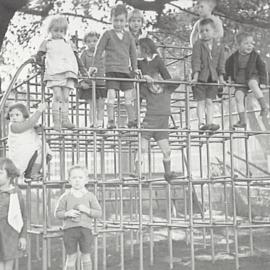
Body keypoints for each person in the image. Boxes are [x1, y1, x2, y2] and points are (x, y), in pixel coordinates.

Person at [134, 37, 178, 182]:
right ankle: (138, 172)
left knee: (167, 150)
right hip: (150, 122)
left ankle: (168, 173)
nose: (155, 86)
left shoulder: (166, 90)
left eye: (156, 82)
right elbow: (137, 83)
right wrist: (146, 78)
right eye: (152, 84)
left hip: (162, 124)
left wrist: (161, 81)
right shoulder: (147, 91)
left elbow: (175, 80)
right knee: (143, 149)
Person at [90, 3, 138, 129]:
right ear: (111, 19)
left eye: (121, 20)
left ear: (126, 21)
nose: (118, 23)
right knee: (111, 95)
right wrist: (94, 65)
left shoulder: (128, 36)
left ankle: (132, 120)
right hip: (111, 70)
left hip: (125, 71)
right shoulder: (107, 34)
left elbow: (133, 53)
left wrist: (135, 67)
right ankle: (111, 120)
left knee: (129, 96)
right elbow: (99, 50)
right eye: (115, 20)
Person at [36, 15, 87, 131]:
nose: (59, 33)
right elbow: (39, 55)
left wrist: (83, 70)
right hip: (55, 71)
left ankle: (65, 120)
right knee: (57, 96)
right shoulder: (47, 42)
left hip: (69, 71)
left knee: (65, 97)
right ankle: (56, 121)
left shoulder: (68, 43)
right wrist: (38, 61)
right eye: (56, 30)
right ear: (50, 30)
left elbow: (76, 57)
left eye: (61, 31)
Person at [55, 165, 102, 270]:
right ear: (69, 180)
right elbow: (57, 213)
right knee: (71, 256)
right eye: (74, 178)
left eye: (80, 178)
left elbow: (99, 213)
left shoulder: (90, 196)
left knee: (86, 256)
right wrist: (67, 213)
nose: (77, 180)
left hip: (85, 230)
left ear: (86, 180)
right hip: (69, 231)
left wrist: (87, 210)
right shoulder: (65, 196)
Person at [225, 32, 268, 128]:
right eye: (246, 43)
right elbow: (227, 68)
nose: (250, 46)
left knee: (252, 83)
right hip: (240, 81)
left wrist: (264, 82)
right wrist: (227, 79)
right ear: (239, 45)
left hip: (252, 76)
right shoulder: (233, 57)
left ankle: (264, 107)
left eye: (251, 43)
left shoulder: (255, 55)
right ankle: (242, 120)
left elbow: (262, 67)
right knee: (238, 97)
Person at [191, 18, 226, 132]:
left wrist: (221, 78)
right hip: (201, 77)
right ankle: (201, 123)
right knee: (201, 101)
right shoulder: (198, 45)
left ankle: (210, 122)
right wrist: (195, 76)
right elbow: (196, 61)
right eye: (201, 31)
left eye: (207, 30)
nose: (204, 33)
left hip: (213, 78)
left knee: (210, 101)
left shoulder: (219, 46)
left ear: (214, 32)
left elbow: (221, 63)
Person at [6, 102, 51, 180]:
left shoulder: (26, 124)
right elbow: (29, 123)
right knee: (40, 153)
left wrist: (39, 128)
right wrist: (39, 110)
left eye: (17, 115)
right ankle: (31, 173)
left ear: (24, 115)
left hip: (31, 151)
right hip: (21, 153)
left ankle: (32, 172)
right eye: (11, 115)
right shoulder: (13, 126)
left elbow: (32, 129)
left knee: (44, 153)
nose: (14, 117)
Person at [0, 158, 27, 270]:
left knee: (8, 265)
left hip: (10, 234)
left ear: (10, 175)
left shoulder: (16, 193)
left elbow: (23, 216)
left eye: (0, 172)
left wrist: (23, 236)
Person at [78, 31, 106, 128]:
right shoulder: (84, 54)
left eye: (95, 41)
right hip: (89, 84)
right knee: (92, 105)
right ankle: (92, 122)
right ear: (85, 43)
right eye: (89, 41)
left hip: (101, 83)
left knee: (101, 104)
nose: (92, 43)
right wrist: (82, 81)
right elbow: (80, 68)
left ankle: (100, 122)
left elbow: (107, 66)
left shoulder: (103, 53)